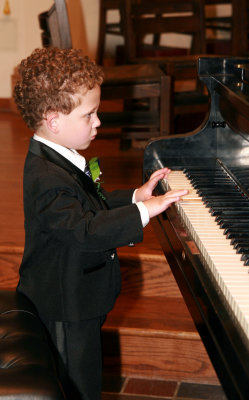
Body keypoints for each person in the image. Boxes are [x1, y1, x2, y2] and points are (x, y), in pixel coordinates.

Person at [13, 47, 187, 400]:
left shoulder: (59, 156)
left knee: (86, 371)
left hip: (79, 297)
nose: (98, 123)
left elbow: (90, 204)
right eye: (89, 115)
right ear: (54, 119)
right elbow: (85, 230)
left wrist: (136, 196)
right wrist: (146, 211)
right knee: (77, 384)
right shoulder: (47, 178)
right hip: (64, 303)